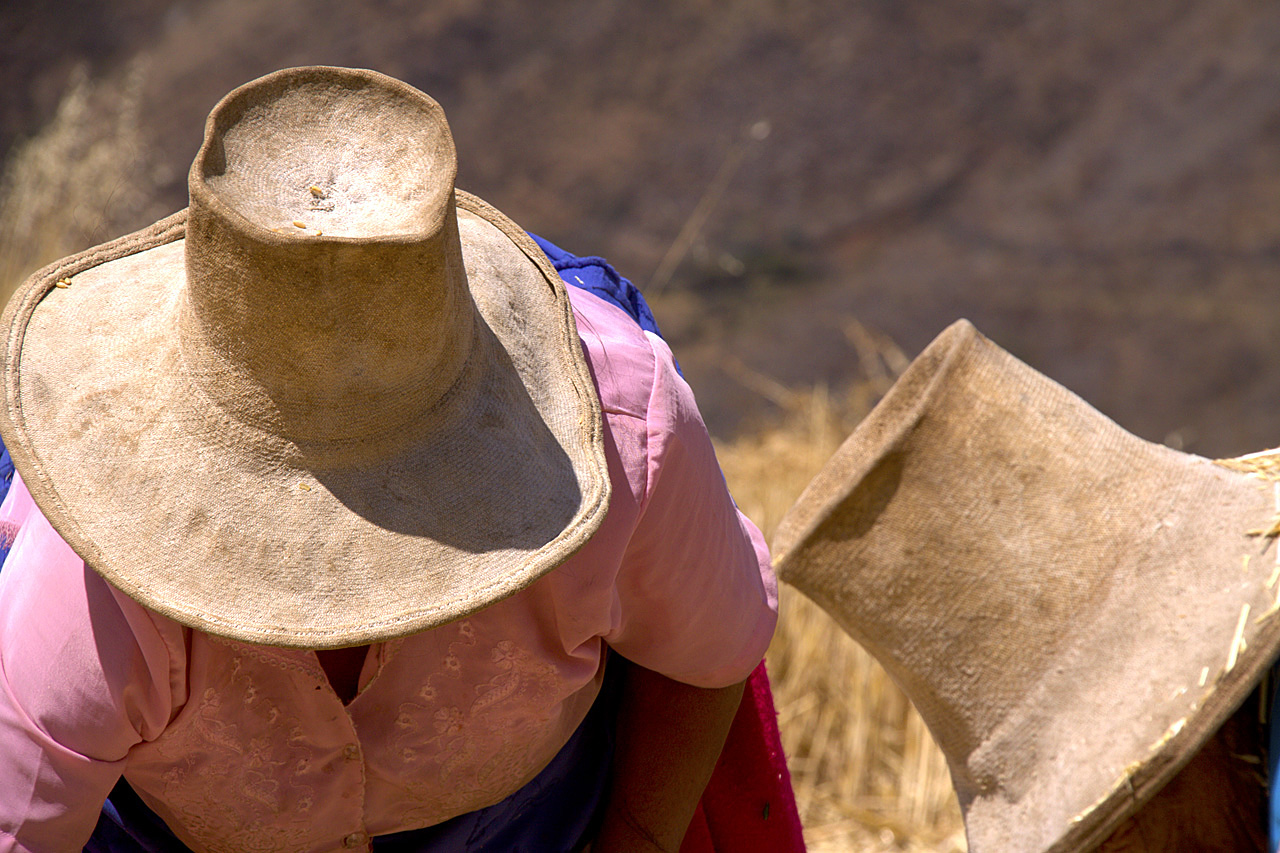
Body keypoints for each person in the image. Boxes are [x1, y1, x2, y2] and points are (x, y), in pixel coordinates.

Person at [0, 66, 800, 852]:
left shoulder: (623, 433)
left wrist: (633, 839)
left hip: (528, 821)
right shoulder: (90, 561)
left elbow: (707, 650)